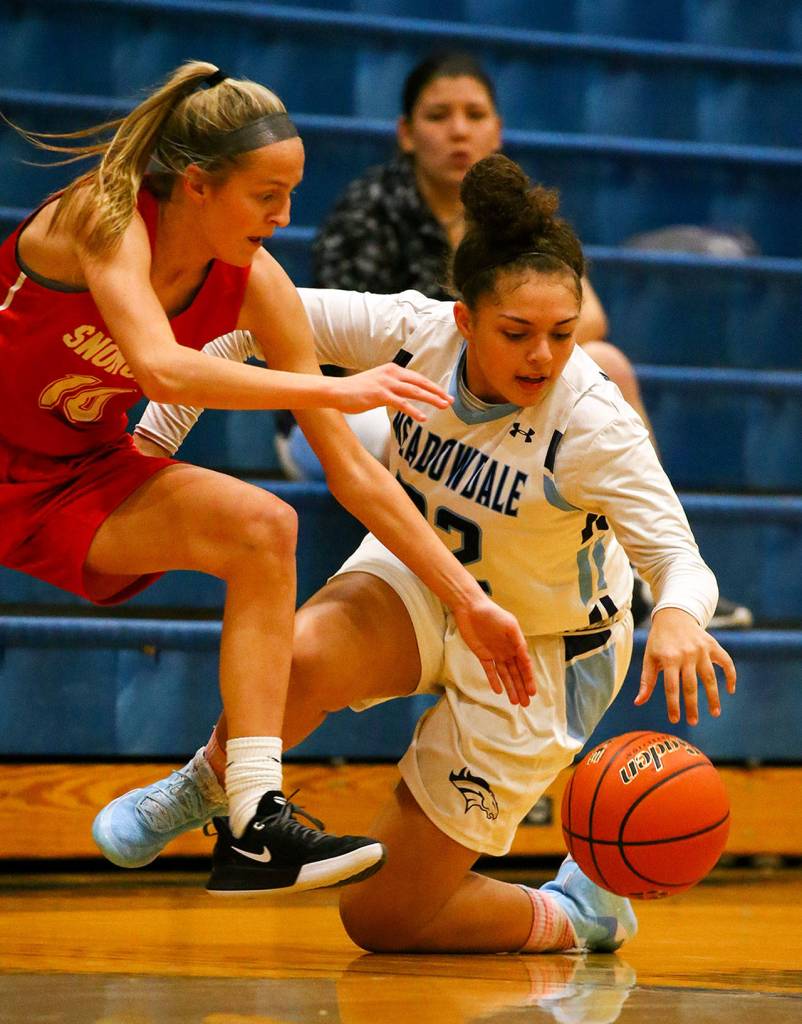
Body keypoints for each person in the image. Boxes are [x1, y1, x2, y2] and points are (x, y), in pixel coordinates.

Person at [94, 154, 736, 953]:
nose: (542, 356)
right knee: (298, 655)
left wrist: (676, 616)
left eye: (562, 336)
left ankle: (577, 915)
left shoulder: (594, 426)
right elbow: (243, 313)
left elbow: (680, 557)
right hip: (424, 581)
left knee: (382, 920)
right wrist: (156, 436)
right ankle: (202, 787)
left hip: (541, 650)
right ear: (463, 320)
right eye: (517, 333)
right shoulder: (414, 330)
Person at [0, 63, 536, 895]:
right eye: (266, 195)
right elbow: (162, 368)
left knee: (265, 528)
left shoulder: (258, 287)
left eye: (293, 193)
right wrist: (330, 384)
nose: (285, 218)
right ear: (199, 186)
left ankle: (252, 818)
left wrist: (468, 601)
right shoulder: (101, 217)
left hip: (76, 469)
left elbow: (356, 476)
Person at [307, 50, 752, 631]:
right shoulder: (369, 213)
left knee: (607, 365)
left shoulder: (522, 222)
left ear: (498, 128)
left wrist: (512, 334)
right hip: (356, 395)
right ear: (407, 134)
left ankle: (648, 586)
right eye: (439, 115)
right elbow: (341, 345)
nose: (459, 129)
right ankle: (447, 583)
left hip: (474, 392)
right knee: (429, 408)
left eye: (475, 113)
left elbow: (589, 314)